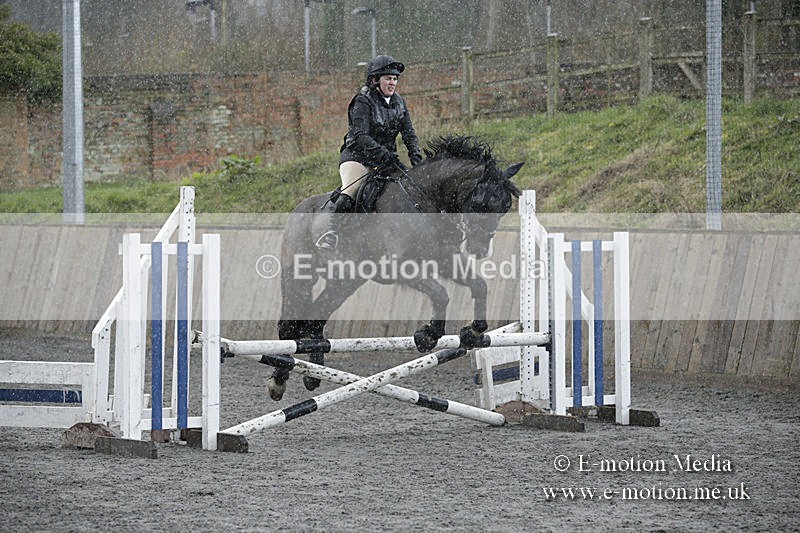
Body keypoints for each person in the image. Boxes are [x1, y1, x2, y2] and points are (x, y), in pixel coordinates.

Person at [316, 54, 423, 251]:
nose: (392, 82)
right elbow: (360, 136)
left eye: (395, 79)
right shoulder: (362, 101)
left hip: (387, 160)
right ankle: (331, 234)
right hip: (358, 157)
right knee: (351, 189)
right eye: (388, 78)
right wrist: (383, 154)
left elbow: (409, 134)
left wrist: (416, 158)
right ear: (375, 80)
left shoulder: (399, 102)